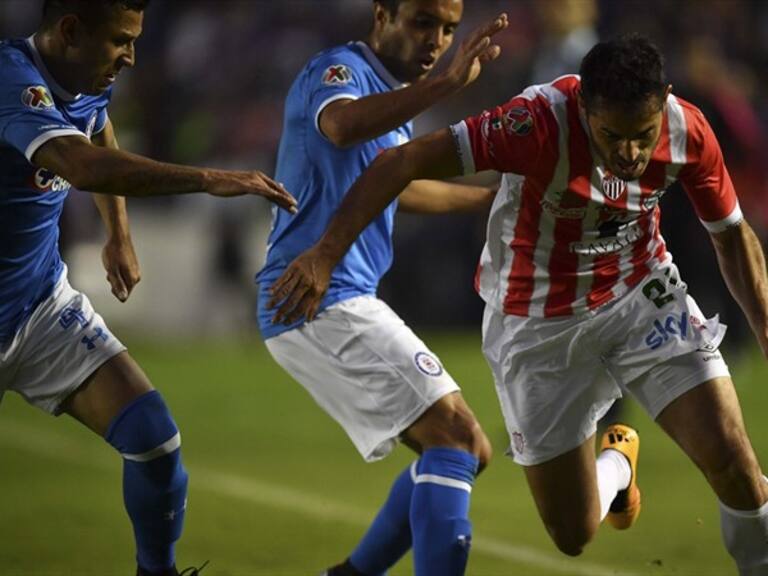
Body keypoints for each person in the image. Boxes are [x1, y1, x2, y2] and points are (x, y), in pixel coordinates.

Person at [270, 34, 768, 575]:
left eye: (642, 135)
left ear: (664, 101)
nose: (629, 153)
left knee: (734, 461)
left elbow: (732, 235)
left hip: (639, 295)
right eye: (612, 136)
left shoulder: (687, 130)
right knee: (573, 533)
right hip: (536, 326)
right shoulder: (533, 124)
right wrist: (324, 253)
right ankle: (617, 465)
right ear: (583, 108)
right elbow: (402, 161)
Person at [0, 1, 297, 575]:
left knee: (155, 443)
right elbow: (79, 163)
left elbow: (98, 125)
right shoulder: (12, 78)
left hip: (38, 307)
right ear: (69, 31)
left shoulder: (85, 75)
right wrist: (210, 179)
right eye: (120, 42)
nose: (131, 57)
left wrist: (120, 232)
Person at [257, 1, 506, 574]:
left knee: (467, 449)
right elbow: (342, 126)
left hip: (338, 297)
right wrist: (444, 85)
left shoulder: (390, 97)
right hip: (316, 295)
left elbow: (401, 188)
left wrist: (491, 202)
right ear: (382, 14)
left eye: (447, 29)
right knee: (459, 440)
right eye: (422, 22)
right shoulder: (339, 72)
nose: (436, 41)